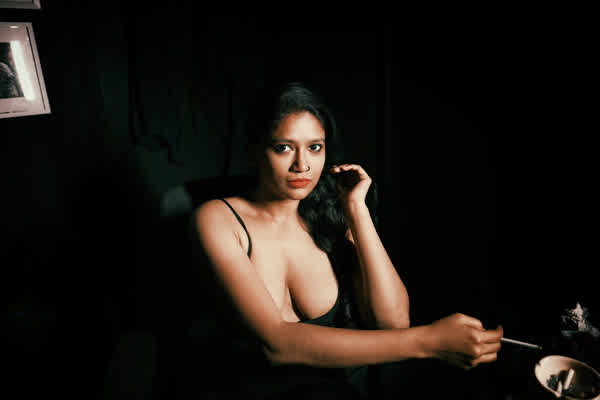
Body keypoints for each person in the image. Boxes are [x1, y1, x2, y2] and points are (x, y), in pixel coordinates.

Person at [189, 81, 504, 399]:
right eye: (284, 147)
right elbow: (277, 345)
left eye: (315, 147)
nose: (302, 165)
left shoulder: (330, 217)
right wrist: (430, 341)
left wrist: (356, 211)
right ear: (254, 150)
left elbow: (394, 323)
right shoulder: (217, 218)